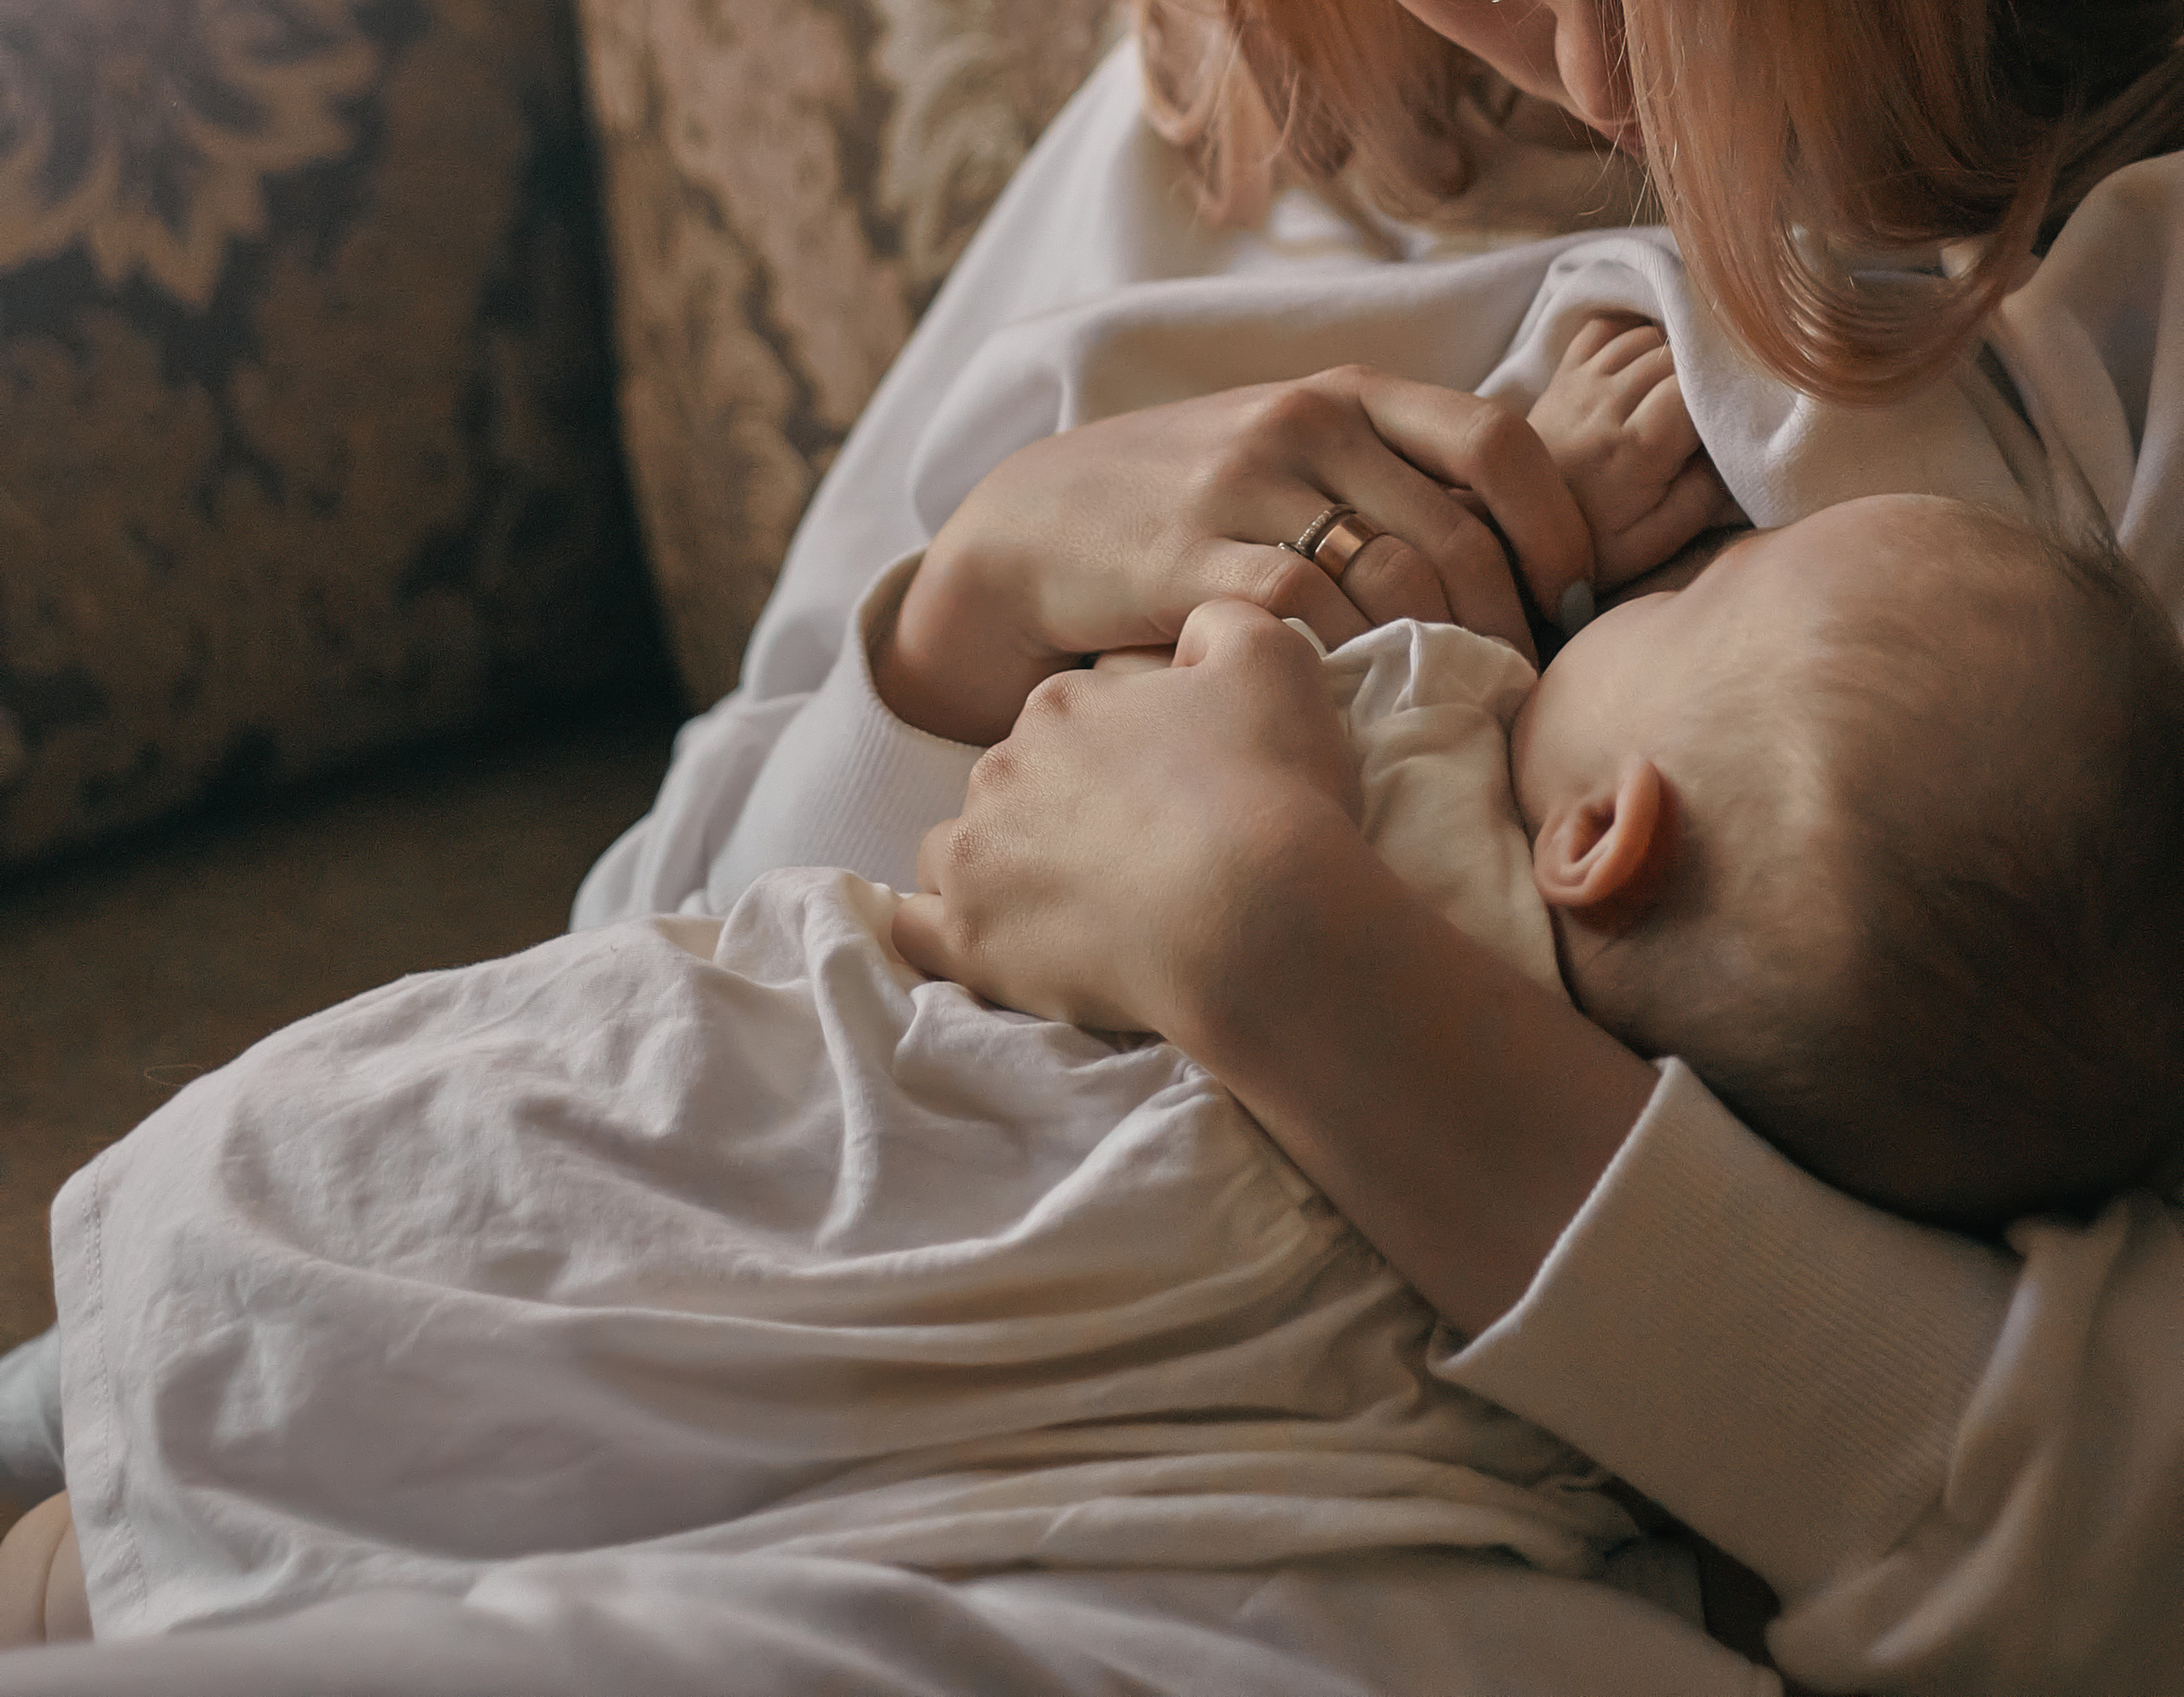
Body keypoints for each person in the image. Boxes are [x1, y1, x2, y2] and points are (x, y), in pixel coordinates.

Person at [11, 310, 2179, 1653]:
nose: (1568, 47)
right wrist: (963, 602)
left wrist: (1287, 901)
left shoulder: (1430, 752)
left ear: (1604, 833)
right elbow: (697, 891)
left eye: (1710, 583)